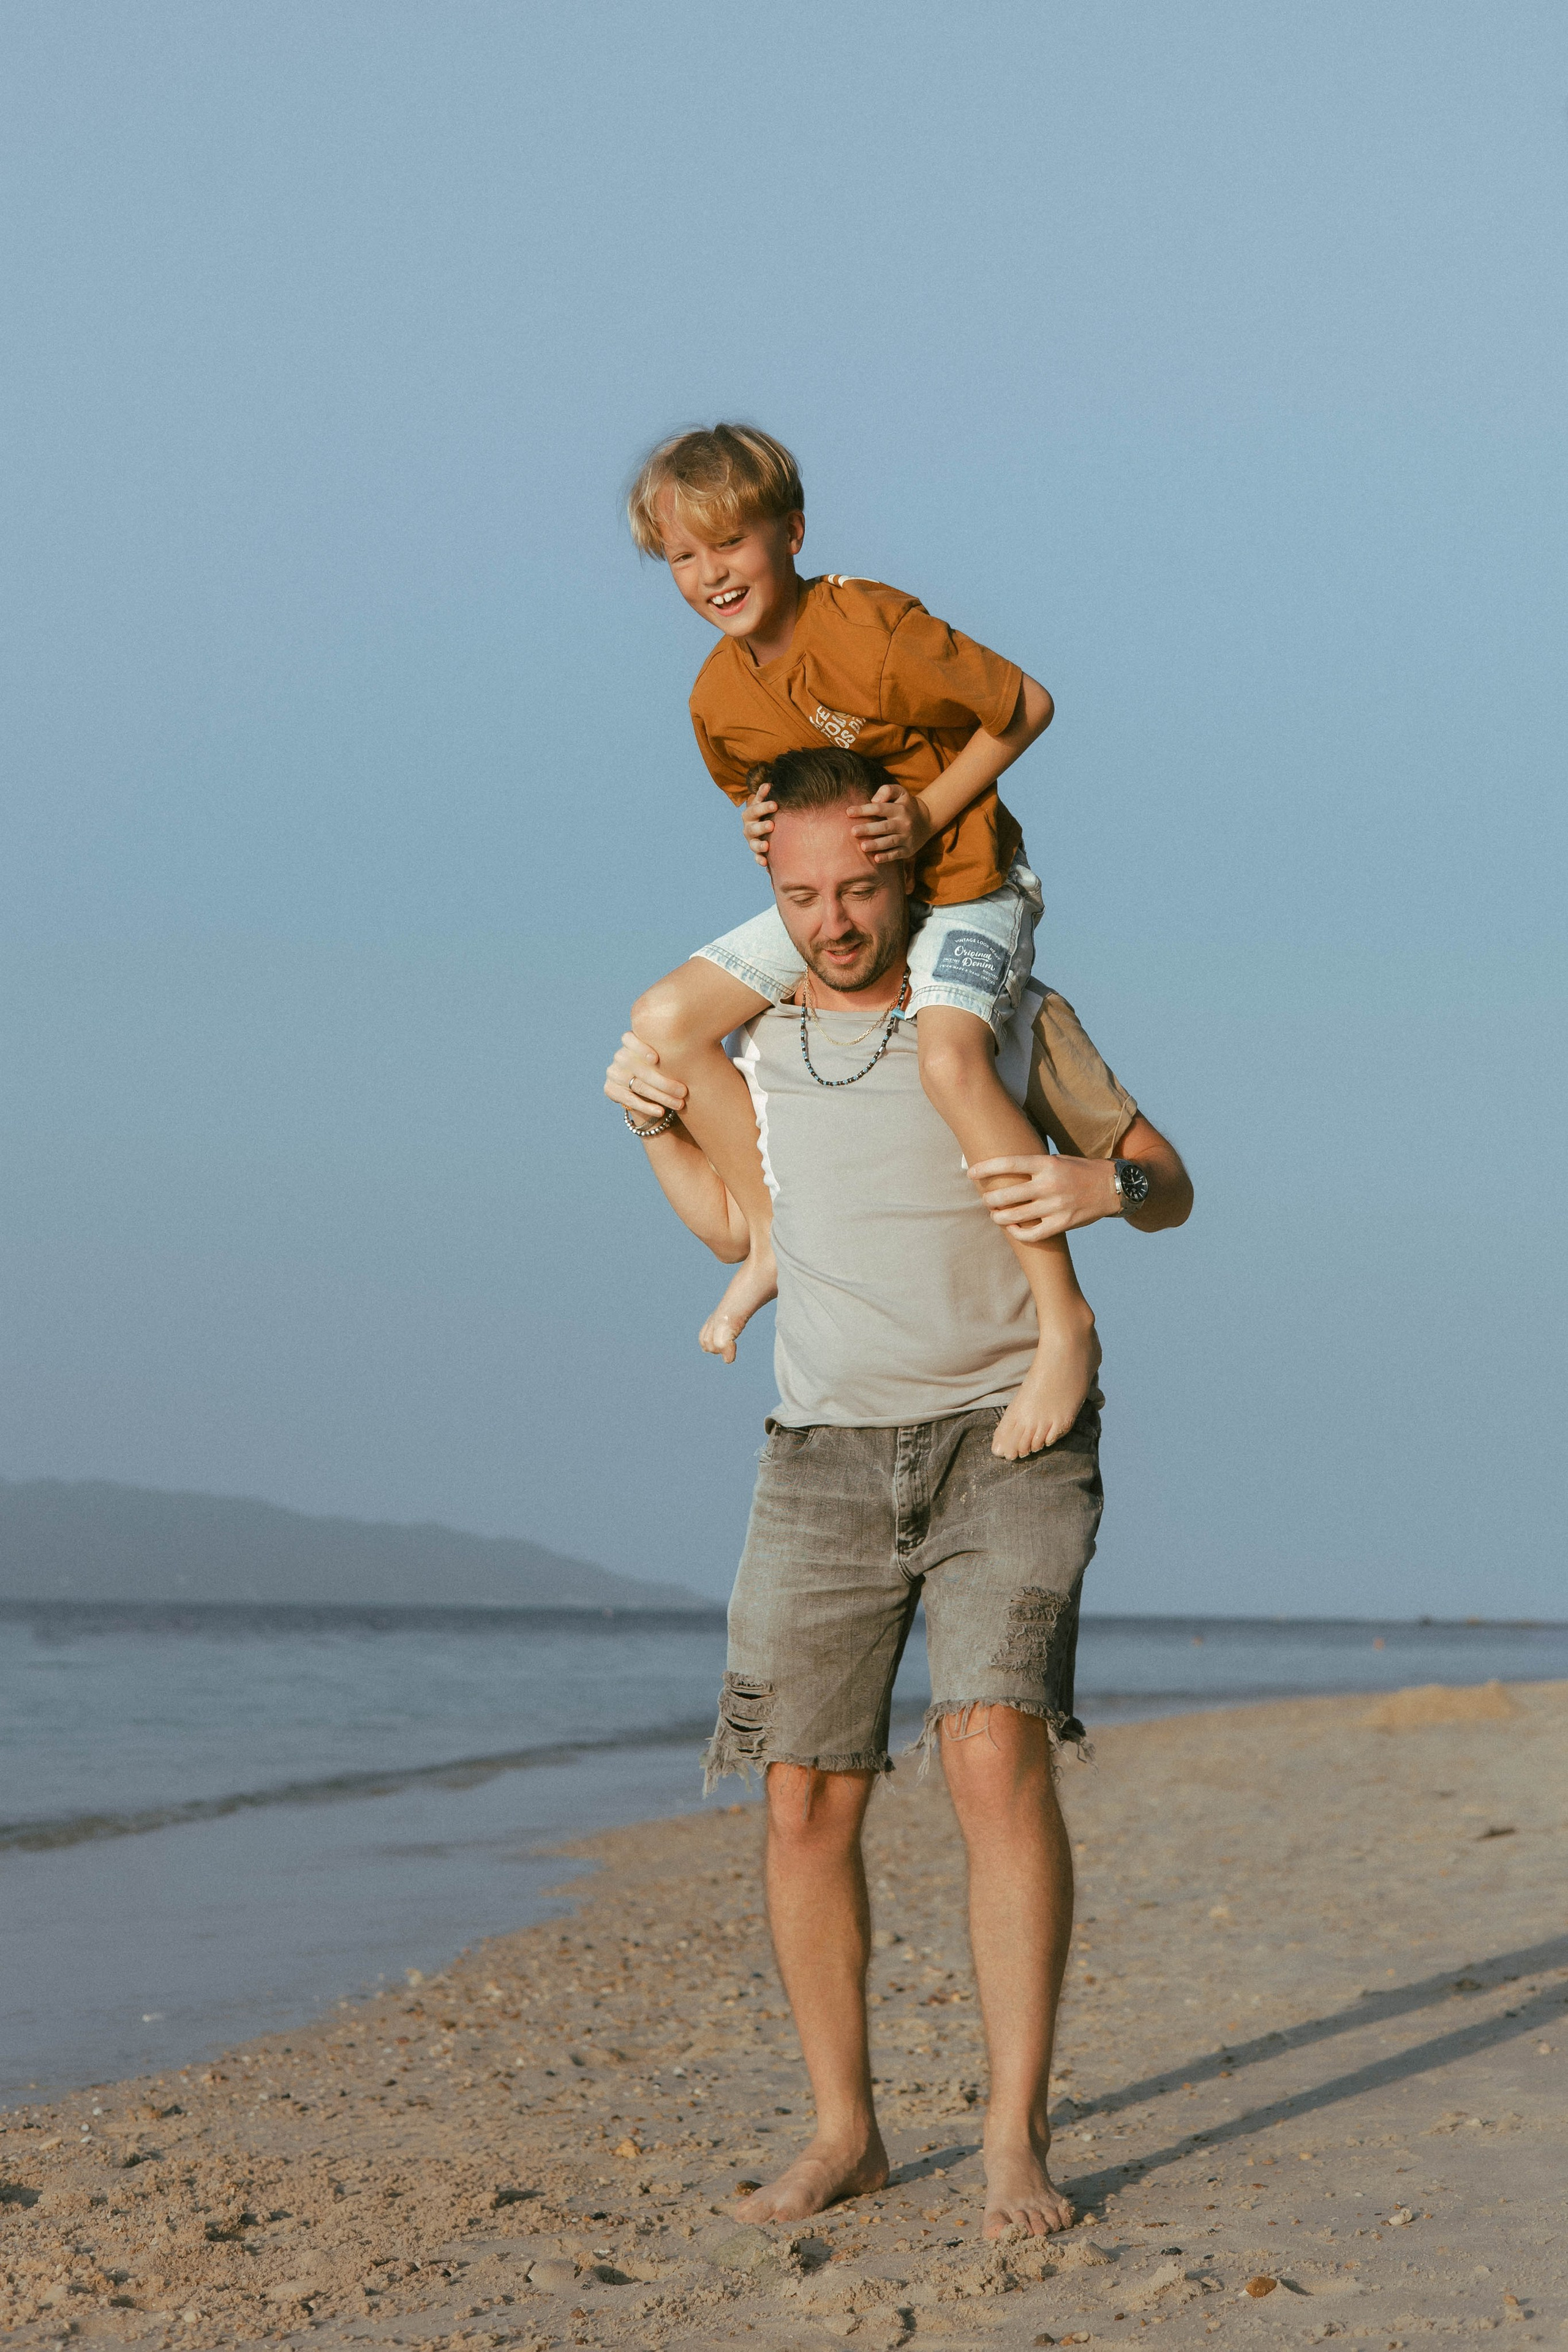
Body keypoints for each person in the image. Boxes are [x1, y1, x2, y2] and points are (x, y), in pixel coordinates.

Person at [604, 747, 1193, 2239]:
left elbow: (1166, 1176)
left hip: (1010, 1436)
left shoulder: (1000, 1015)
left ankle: (1010, 2141)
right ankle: (846, 2133)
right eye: (800, 896)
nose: (834, 921)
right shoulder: (758, 1041)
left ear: (906, 871)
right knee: (802, 1796)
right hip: (825, 1451)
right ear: (767, 889)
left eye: (859, 888)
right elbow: (743, 1228)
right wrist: (663, 1125)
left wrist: (1100, 1188)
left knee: (992, 1755)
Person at [624, 422, 1095, 1462]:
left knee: (948, 1058)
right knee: (664, 1023)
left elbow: (1027, 707)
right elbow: (769, 799)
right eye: (685, 558)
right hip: (851, 905)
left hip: (963, 884)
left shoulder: (871, 632)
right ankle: (771, 1239)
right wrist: (756, 821)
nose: (710, 575)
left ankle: (1064, 1324)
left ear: (789, 532)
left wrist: (926, 815)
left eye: (730, 544)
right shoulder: (717, 695)